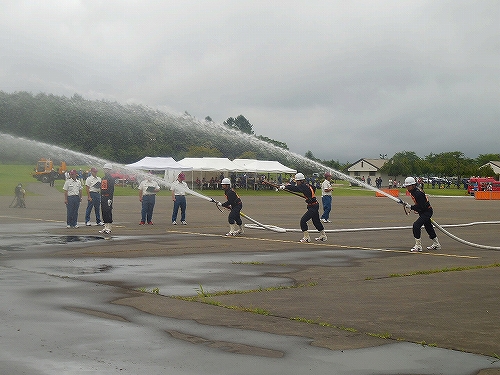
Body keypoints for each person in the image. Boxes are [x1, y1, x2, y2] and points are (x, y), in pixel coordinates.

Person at [280, 173, 327, 242]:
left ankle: (306, 237)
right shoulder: (307, 185)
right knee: (316, 221)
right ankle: (323, 235)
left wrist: (285, 187)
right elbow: (313, 188)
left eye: (297, 181)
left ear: (300, 181)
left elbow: (295, 189)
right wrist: (308, 196)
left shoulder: (303, 186)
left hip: (313, 206)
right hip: (313, 205)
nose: (296, 183)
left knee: (303, 221)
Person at [403, 176, 441, 252]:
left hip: (426, 212)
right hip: (423, 211)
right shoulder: (414, 192)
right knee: (428, 227)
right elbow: (420, 205)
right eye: (406, 186)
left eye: (408, 186)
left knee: (416, 225)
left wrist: (411, 207)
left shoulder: (418, 193)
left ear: (413, 185)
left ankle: (418, 246)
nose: (407, 188)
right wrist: (412, 207)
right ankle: (437, 244)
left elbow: (421, 206)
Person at [99, 163, 115, 235]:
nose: (105, 170)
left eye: (106, 169)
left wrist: (110, 199)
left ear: (109, 170)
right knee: (104, 211)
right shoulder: (103, 178)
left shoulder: (111, 178)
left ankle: (109, 227)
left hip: (108, 196)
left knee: (108, 211)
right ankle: (105, 226)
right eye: (105, 169)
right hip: (103, 196)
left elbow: (111, 189)